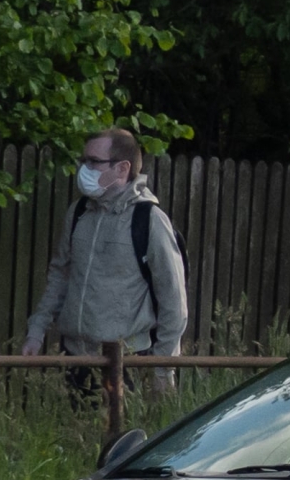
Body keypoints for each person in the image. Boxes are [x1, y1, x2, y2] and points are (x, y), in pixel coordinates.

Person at [21, 129, 188, 393]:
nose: (84, 168)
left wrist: (163, 368)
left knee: (126, 435)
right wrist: (37, 329)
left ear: (122, 168)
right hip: (75, 357)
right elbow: (60, 275)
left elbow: (173, 299)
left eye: (93, 161)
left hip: (127, 362)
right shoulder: (79, 213)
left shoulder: (149, 219)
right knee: (76, 434)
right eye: (83, 160)